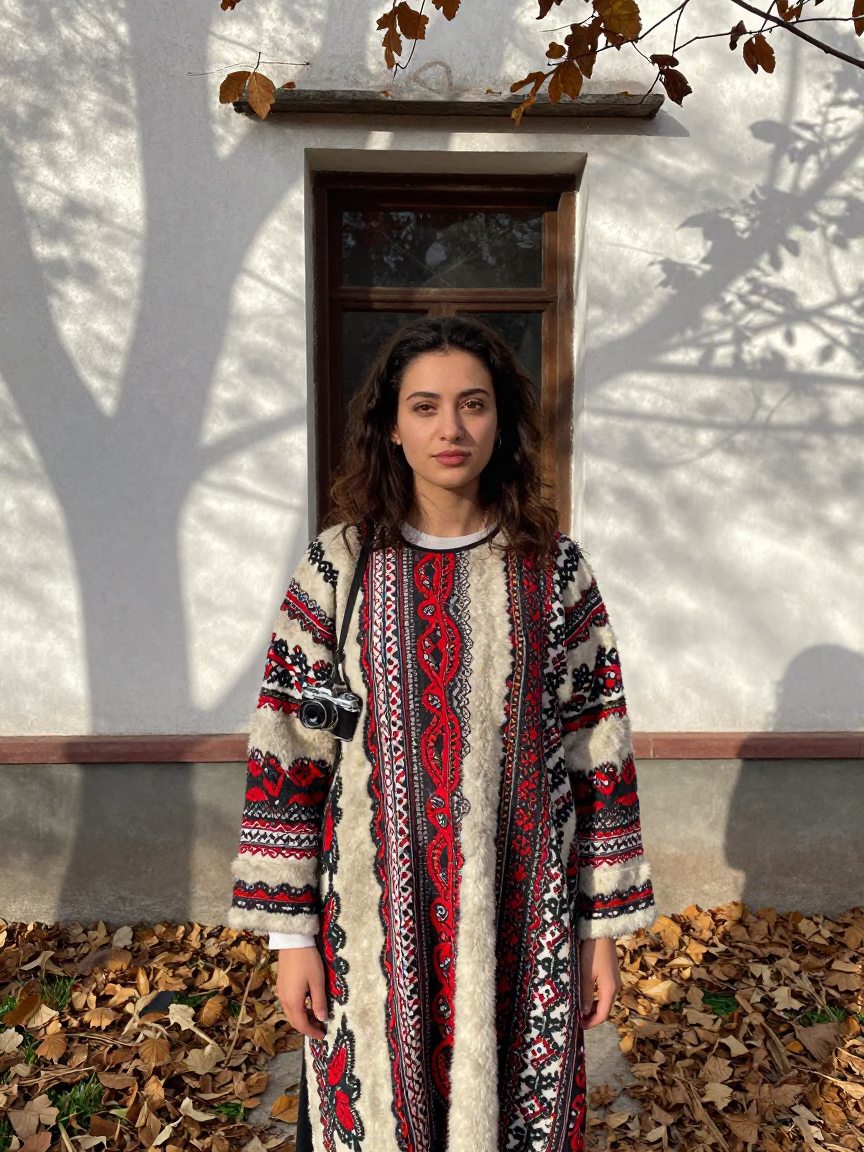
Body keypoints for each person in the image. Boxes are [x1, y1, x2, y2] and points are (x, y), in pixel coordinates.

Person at [229, 316, 655, 1152]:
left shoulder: (555, 570)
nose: (450, 429)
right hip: (370, 923)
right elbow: (288, 750)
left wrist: (599, 930)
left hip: (523, 918)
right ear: (392, 425)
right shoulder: (338, 568)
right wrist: (292, 937)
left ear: (502, 422)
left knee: (518, 1118)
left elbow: (597, 748)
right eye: (425, 407)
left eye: (473, 405)